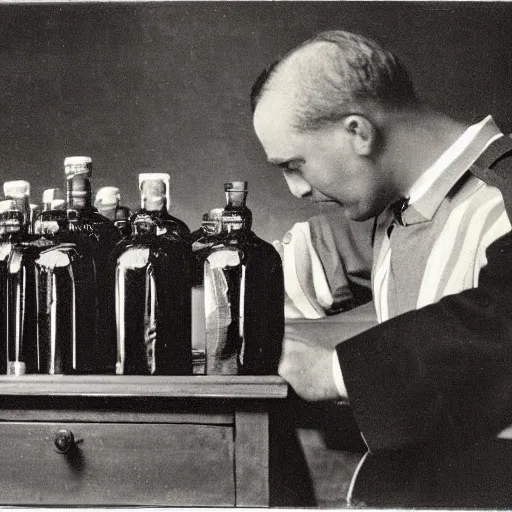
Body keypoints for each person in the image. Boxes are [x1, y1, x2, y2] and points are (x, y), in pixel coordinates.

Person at [251, 30, 512, 508]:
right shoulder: (400, 206)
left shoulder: (502, 194)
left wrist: (332, 372)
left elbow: (501, 325)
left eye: (295, 164)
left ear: (358, 131)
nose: (296, 189)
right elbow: (264, 274)